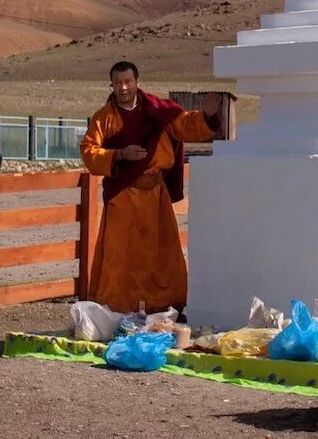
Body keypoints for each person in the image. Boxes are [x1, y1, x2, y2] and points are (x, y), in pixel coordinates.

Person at [80, 61, 221, 314]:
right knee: (119, 257)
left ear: (137, 82)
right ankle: (117, 309)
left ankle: (163, 307)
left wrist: (208, 117)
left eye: (128, 81)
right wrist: (119, 154)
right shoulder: (105, 118)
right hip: (123, 196)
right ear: (111, 85)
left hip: (156, 194)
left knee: (162, 254)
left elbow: (186, 125)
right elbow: (89, 151)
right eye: (118, 82)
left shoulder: (157, 111)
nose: (123, 87)